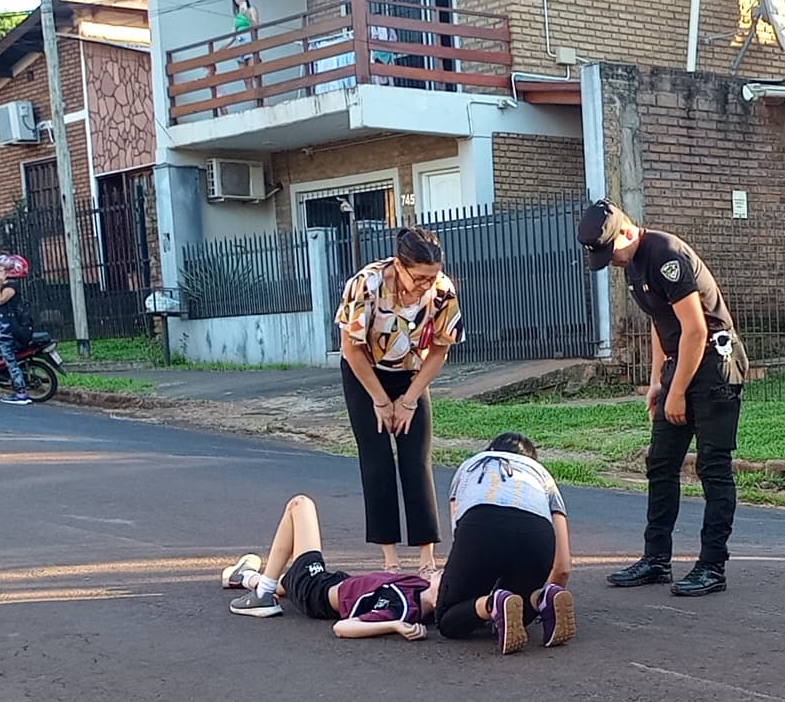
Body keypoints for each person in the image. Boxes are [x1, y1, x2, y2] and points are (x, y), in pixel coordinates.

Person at [578, 200, 749, 598]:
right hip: (681, 363)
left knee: (712, 467)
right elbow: (660, 321)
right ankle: (656, 560)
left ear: (626, 232)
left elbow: (695, 329)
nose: (611, 261)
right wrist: (657, 381)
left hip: (714, 364)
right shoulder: (633, 262)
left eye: (611, 251)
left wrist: (678, 392)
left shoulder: (665, 254)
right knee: (661, 464)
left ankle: (712, 566)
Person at [337, 226, 462, 573]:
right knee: (377, 460)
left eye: (431, 277)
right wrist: (380, 401)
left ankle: (427, 559)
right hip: (365, 373)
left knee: (416, 459)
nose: (425, 285)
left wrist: (408, 400)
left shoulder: (442, 290)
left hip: (411, 374)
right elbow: (351, 348)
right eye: (419, 278)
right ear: (399, 265)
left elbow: (440, 350)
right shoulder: (366, 284)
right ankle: (390, 561)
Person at [432, 431, 574, 654]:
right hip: (536, 534)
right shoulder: (542, 475)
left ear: (490, 450)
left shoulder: (471, 466)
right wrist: (552, 587)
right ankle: (541, 600)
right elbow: (563, 567)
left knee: (448, 619)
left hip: (480, 526)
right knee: (519, 610)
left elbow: (459, 535)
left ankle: (490, 604)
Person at [220, 494, 433, 640]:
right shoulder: (421, 586)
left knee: (300, 504)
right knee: (286, 583)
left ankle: (262, 594)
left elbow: (342, 628)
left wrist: (394, 625)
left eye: (444, 577)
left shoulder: (401, 609)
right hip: (331, 581)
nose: (440, 572)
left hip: (315, 589)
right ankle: (244, 576)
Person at [0, 252, 35, 405]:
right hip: (2, 325)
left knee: (10, 359)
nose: (0, 271)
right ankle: (18, 390)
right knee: (7, 358)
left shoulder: (11, 287)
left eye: (3, 269)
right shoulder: (4, 285)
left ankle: (21, 393)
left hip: (7, 328)